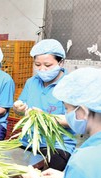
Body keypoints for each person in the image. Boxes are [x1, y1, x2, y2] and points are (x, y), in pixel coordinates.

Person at [23, 67, 101, 178]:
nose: (67, 114)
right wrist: (65, 177)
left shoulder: (83, 161)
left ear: (83, 111)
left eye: (67, 109)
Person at [12, 39, 76, 170]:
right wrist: (18, 108)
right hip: (28, 141)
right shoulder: (31, 82)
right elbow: (21, 111)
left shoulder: (70, 85)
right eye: (38, 64)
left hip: (57, 145)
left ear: (61, 62)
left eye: (47, 65)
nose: (42, 69)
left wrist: (45, 117)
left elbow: (75, 120)